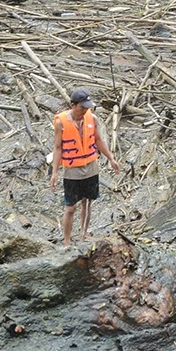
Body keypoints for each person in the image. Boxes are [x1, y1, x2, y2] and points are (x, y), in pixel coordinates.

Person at [50, 89, 122, 244]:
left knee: (87, 202)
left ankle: (83, 235)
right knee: (70, 207)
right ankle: (67, 241)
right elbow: (58, 148)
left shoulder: (92, 118)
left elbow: (98, 140)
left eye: (87, 107)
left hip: (91, 167)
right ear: (73, 105)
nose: (85, 110)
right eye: (82, 107)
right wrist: (54, 172)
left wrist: (111, 158)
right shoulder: (60, 122)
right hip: (72, 170)